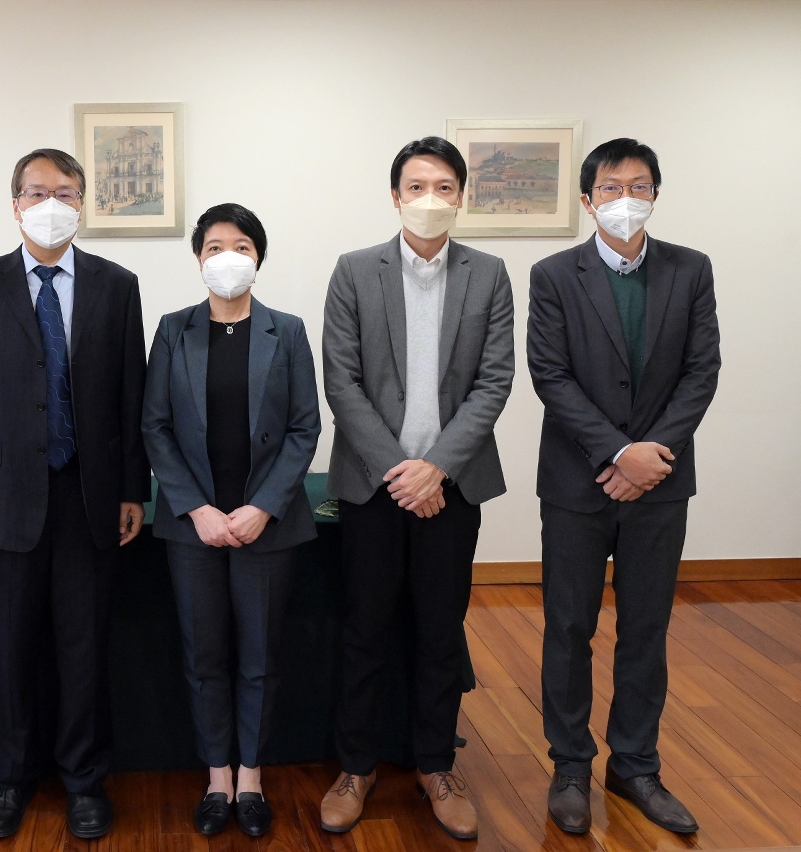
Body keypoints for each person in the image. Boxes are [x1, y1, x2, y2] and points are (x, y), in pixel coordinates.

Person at [0, 148, 150, 840]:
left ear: (82, 204)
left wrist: (133, 488)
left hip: (91, 495)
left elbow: (131, 394)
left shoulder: (118, 286)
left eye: (64, 192)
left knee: (83, 648)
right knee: (10, 649)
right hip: (4, 499)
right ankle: (10, 779)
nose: (50, 204)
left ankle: (84, 780)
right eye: (37, 192)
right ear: (15, 205)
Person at [320, 137, 514, 840]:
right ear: (395, 196)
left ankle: (437, 765)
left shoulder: (489, 274)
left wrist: (437, 468)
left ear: (461, 197)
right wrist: (401, 472)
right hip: (374, 488)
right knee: (364, 631)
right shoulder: (354, 270)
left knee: (440, 631)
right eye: (416, 186)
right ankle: (356, 768)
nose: (429, 198)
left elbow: (495, 381)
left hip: (452, 489)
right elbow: (341, 380)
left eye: (443, 187)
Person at [529, 139, 719, 836]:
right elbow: (551, 375)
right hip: (577, 482)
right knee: (569, 626)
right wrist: (616, 453)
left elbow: (702, 371)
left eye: (639, 186)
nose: (625, 198)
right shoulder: (554, 274)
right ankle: (570, 766)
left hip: (661, 484)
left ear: (656, 195)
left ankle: (635, 765)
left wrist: (650, 457)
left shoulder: (690, 269)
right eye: (611, 187)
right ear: (588, 200)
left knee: (646, 627)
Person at [142, 203, 320, 837]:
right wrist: (197, 508)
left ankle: (251, 777)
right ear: (198, 259)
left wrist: (262, 506)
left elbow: (304, 428)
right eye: (214, 247)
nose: (227, 257)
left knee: (260, 656)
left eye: (240, 246)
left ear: (258, 257)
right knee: (204, 654)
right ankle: (217, 776)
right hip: (193, 525)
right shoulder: (173, 330)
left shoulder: (287, 331)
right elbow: (155, 426)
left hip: (265, 524)